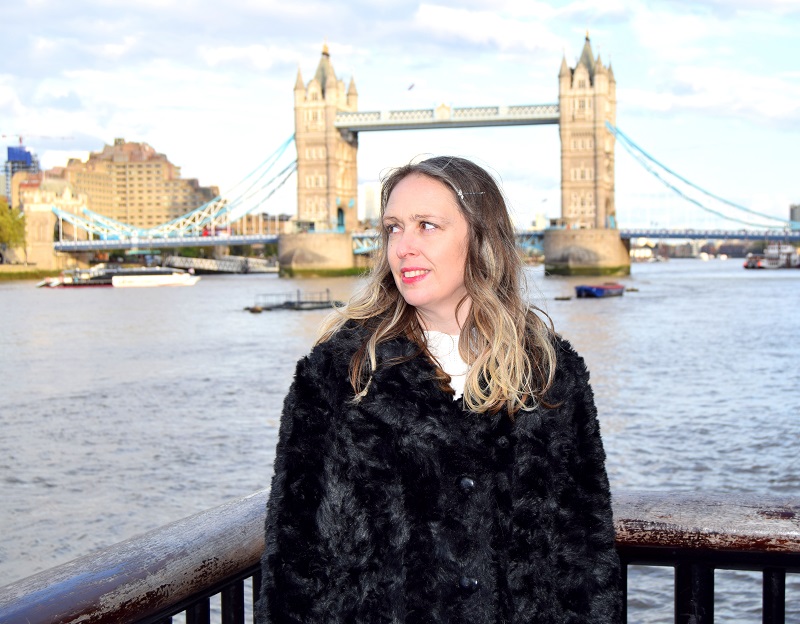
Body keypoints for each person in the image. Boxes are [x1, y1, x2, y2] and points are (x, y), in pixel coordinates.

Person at [256, 156, 622, 623]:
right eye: (393, 228)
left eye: (426, 226)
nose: (403, 247)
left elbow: (586, 553)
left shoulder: (551, 374)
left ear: (480, 238)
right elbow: (294, 561)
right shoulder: (337, 375)